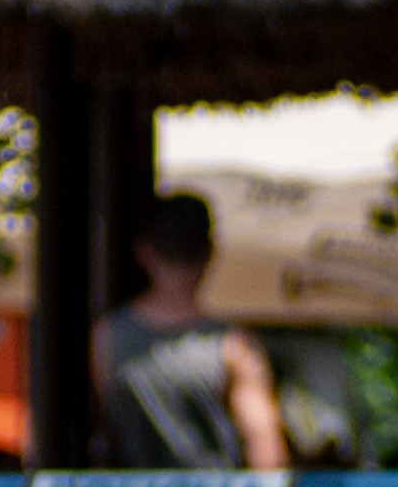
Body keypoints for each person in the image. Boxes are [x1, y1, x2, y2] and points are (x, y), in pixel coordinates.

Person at [96, 192, 287, 470]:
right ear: (210, 252)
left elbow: (108, 424)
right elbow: (265, 448)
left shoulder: (108, 336)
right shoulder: (234, 346)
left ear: (144, 252)